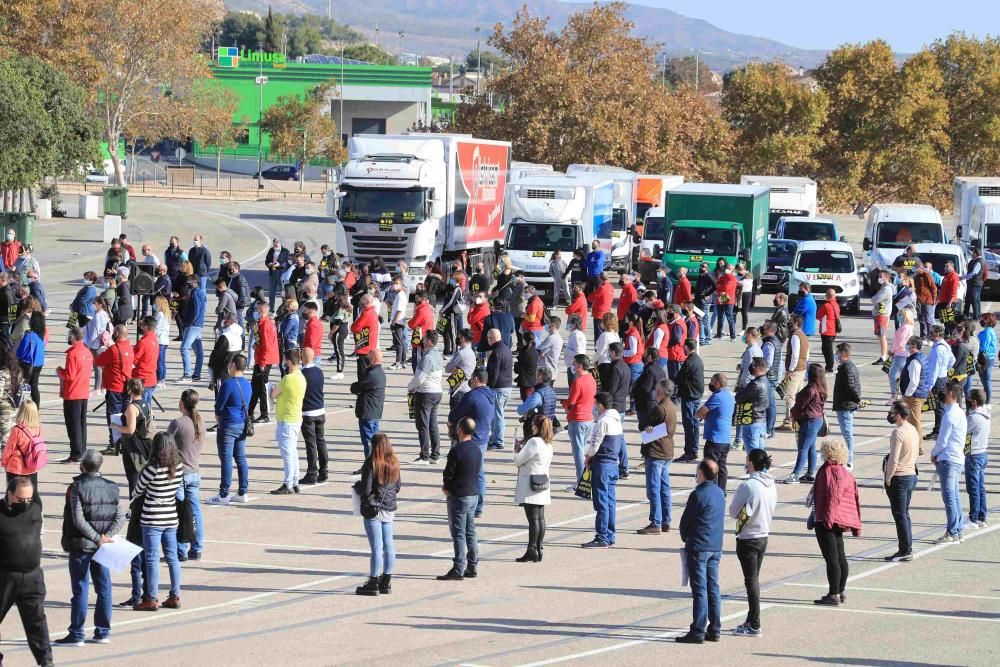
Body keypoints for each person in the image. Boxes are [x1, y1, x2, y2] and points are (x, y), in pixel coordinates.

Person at [56, 449, 125, 647]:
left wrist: (97, 538)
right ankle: (103, 631)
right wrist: (106, 537)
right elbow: (120, 516)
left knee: (80, 588)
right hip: (102, 546)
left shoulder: (78, 486)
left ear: (82, 466)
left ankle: (77, 632)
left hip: (82, 544)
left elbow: (78, 519)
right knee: (104, 587)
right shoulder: (112, 487)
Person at [0, 476, 53, 665]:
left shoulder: (35, 507)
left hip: (32, 577)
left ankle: (46, 662)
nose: (25, 503)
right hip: (5, 576)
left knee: (37, 623)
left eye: (28, 499)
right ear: (9, 494)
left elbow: (30, 471)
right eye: (21, 500)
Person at [131, 432, 183, 611]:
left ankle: (151, 598)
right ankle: (175, 595)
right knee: (172, 557)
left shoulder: (152, 468)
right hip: (171, 515)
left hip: (152, 516)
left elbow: (137, 490)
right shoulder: (178, 466)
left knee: (152, 558)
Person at [676, 459, 726, 644]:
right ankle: (715, 628)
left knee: (699, 590)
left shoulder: (697, 495)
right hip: (715, 546)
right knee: (713, 588)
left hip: (699, 546)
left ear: (702, 473)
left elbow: (685, 522)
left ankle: (697, 630)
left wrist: (685, 536)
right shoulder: (720, 493)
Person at [729, 449, 777, 638]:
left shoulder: (747, 486)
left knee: (751, 581)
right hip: (763, 535)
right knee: (753, 579)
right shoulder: (771, 485)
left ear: (751, 463)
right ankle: (750, 619)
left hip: (748, 537)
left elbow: (733, 512)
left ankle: (755, 624)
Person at [810, 438, 862, 606]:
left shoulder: (830, 471)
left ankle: (834, 593)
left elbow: (833, 496)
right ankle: (840, 590)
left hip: (828, 518)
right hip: (841, 519)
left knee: (832, 558)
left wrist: (827, 519)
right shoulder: (844, 471)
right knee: (840, 556)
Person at [354, 433, 401, 596]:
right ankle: (386, 580)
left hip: (373, 509)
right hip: (389, 508)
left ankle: (373, 581)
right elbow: (398, 487)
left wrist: (357, 487)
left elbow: (366, 490)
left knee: (376, 547)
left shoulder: (371, 463)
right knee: (389, 545)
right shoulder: (394, 462)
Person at [438, 417, 483, 581]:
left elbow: (449, 474)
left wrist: (447, 488)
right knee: (470, 532)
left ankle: (458, 568)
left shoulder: (457, 450)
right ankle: (472, 566)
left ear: (460, 430)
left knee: (458, 533)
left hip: (459, 495)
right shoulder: (476, 449)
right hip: (473, 494)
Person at [448, 368, 495, 516]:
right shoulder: (491, 395)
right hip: (483, 438)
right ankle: (479, 506)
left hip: (469, 439)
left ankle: (463, 504)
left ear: (475, 379)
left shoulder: (472, 395)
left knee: (460, 473)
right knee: (479, 473)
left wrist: (451, 425)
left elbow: (454, 414)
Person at [207, 355, 251, 506]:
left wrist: (218, 418)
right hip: (241, 424)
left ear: (233, 365)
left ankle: (224, 493)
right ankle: (243, 491)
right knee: (240, 458)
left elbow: (219, 406)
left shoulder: (228, 384)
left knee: (226, 459)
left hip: (228, 424)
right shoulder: (247, 384)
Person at [581, 392, 622, 548]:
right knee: (610, 502)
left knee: (601, 502)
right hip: (613, 464)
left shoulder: (603, 421)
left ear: (599, 405)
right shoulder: (617, 420)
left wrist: (588, 457)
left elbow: (595, 445)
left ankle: (602, 536)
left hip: (602, 465)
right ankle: (610, 534)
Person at [168, 389, 204, 561]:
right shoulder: (200, 422)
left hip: (180, 472)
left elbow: (165, 444)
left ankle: (180, 549)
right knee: (195, 511)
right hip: (194, 471)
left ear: (182, 403)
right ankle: (197, 548)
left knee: (179, 512)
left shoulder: (178, 423)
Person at [637, 379, 676, 534]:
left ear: (661, 391)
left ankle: (656, 522)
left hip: (656, 451)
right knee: (664, 488)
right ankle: (666, 520)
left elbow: (643, 423)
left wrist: (646, 427)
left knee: (653, 489)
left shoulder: (660, 408)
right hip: (666, 451)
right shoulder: (671, 406)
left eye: (657, 389)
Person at [513, 414, 554, 562]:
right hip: (543, 480)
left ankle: (532, 549)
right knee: (540, 518)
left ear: (536, 426)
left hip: (530, 482)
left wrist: (517, 449)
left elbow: (518, 461)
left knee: (533, 519)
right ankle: (539, 547)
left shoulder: (534, 442)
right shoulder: (548, 442)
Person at [930, 382, 967, 543]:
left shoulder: (949, 415)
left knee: (949, 496)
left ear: (951, 394)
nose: (943, 395)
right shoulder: (960, 412)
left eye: (945, 392)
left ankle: (952, 531)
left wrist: (933, 454)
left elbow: (942, 440)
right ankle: (958, 529)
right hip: (957, 457)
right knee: (955, 495)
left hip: (948, 458)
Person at [883, 401, 919, 561]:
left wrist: (888, 478)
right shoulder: (912, 429)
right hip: (911, 474)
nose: (890, 415)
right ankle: (906, 546)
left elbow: (893, 459)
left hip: (900, 476)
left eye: (892, 412)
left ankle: (905, 549)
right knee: (905, 513)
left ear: (898, 415)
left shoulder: (898, 432)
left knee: (900, 515)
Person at [270, 348, 306, 495]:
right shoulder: (301, 377)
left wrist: (272, 389)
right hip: (296, 417)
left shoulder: (288, 378)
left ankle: (288, 483)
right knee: (293, 452)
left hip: (286, 419)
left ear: (290, 362)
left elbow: (273, 394)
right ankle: (295, 481)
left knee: (288, 454)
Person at [785, 364, 827, 484]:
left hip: (809, 420)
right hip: (817, 420)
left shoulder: (811, 389)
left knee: (803, 448)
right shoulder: (821, 388)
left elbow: (799, 405)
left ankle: (795, 474)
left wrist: (792, 413)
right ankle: (810, 473)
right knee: (811, 447)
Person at [95, 325, 134, 454]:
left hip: (114, 386)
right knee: (124, 415)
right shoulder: (129, 347)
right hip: (125, 387)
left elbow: (99, 361)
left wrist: (104, 347)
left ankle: (114, 444)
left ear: (116, 333)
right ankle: (124, 443)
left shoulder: (114, 350)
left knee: (113, 416)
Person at [58, 326, 93, 463]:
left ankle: (76, 452)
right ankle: (81, 450)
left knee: (73, 424)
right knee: (81, 423)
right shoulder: (87, 352)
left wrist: (60, 371)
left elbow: (70, 375)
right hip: (83, 391)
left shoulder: (73, 354)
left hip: (73, 392)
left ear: (73, 337)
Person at [695, 372, 735, 493]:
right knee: (722, 467)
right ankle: (721, 492)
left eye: (712, 381)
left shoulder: (716, 396)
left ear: (717, 383)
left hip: (714, 438)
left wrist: (704, 415)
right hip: (725, 438)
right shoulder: (729, 396)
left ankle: (712, 492)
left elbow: (700, 412)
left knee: (710, 467)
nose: (710, 384)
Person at [409, 330, 444, 464]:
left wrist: (410, 387)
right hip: (436, 392)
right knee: (433, 424)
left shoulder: (427, 358)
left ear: (429, 341)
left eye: (424, 339)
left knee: (422, 425)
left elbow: (419, 379)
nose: (422, 342)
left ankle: (424, 456)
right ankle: (435, 455)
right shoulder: (437, 355)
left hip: (425, 393)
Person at [296, 347, 328, 486]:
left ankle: (311, 473)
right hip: (320, 411)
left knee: (311, 444)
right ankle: (324, 471)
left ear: (302, 358)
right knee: (321, 441)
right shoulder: (319, 371)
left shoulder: (302, 374)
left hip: (308, 412)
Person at [563, 354, 597, 486]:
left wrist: (564, 405)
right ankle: (585, 479)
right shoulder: (591, 378)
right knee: (582, 450)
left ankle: (581, 482)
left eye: (574, 363)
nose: (573, 366)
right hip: (588, 419)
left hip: (577, 419)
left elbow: (571, 402)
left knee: (578, 453)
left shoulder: (578, 382)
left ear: (580, 366)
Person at [350, 349, 386, 467]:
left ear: (373, 359)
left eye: (368, 357)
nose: (366, 359)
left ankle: (371, 466)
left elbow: (357, 387)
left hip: (368, 411)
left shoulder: (372, 374)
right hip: (374, 410)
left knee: (369, 441)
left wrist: (355, 386)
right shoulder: (379, 372)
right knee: (375, 440)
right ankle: (376, 463)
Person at [2, 399, 45, 487]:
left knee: (13, 495)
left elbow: (9, 449)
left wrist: (4, 463)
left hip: (16, 467)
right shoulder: (37, 428)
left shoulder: (17, 430)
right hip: (32, 466)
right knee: (32, 494)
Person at [832, 343, 861, 469]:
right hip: (845, 404)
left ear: (843, 354)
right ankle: (848, 458)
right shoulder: (847, 367)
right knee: (847, 433)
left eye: (837, 353)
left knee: (848, 434)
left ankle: (849, 460)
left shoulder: (847, 369)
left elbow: (851, 387)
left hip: (845, 406)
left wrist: (857, 400)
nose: (836, 355)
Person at [777, 315, 809, 431]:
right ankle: (798, 420)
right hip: (802, 369)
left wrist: (790, 369)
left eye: (791, 322)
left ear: (796, 323)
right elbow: (807, 354)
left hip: (795, 370)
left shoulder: (795, 336)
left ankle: (788, 421)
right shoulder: (804, 336)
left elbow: (795, 355)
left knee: (790, 395)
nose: (789, 324)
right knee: (799, 395)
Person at [964, 388, 990, 530]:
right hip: (982, 453)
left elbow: (962, 430)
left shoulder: (974, 418)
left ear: (974, 402)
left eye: (968, 399)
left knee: (973, 487)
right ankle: (981, 516)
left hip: (974, 455)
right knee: (980, 487)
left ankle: (973, 517)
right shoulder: (985, 414)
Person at [249, 302, 278, 423]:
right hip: (261, 358)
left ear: (262, 311)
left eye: (257, 310)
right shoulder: (261, 323)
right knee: (254, 386)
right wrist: (256, 345)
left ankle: (264, 414)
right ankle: (249, 412)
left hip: (264, 360)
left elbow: (268, 346)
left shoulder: (266, 325)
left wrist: (263, 363)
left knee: (262, 387)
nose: (256, 313)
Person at [485, 328, 513, 452]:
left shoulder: (496, 352)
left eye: (488, 338)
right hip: (507, 386)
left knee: (497, 415)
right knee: (497, 414)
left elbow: (494, 373)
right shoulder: (506, 348)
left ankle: (498, 441)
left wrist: (489, 387)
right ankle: (495, 438)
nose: (487, 340)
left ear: (492, 338)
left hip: (498, 387)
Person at [734, 358, 770, 453]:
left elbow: (739, 397)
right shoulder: (766, 381)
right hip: (761, 420)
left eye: (753, 365)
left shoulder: (755, 384)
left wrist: (741, 390)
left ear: (758, 368)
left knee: (753, 456)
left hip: (752, 421)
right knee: (760, 455)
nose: (751, 367)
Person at [178, 277, 206, 383]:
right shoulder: (198, 292)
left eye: (190, 281)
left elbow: (196, 310)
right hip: (197, 324)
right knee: (199, 352)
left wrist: (189, 322)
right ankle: (197, 374)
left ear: (195, 282)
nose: (187, 283)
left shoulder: (196, 293)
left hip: (193, 325)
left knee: (184, 348)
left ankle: (187, 375)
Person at [14, 313, 44, 406]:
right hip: (38, 364)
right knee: (34, 387)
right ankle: (36, 410)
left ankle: (23, 407)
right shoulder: (41, 335)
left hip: (27, 364)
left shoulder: (29, 335)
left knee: (23, 387)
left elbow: (21, 352)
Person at [759, 321, 782, 438]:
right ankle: (769, 428)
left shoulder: (769, 344)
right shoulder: (776, 341)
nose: (762, 328)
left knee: (770, 404)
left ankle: (769, 429)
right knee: (770, 403)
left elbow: (768, 363)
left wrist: (760, 374)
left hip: (769, 377)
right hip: (773, 376)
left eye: (764, 327)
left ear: (769, 329)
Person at [888, 308, 915, 402]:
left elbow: (900, 342)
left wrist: (892, 350)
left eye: (901, 315)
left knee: (892, 375)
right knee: (902, 375)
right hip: (903, 353)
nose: (898, 316)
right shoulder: (908, 326)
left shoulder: (904, 327)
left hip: (900, 353)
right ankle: (903, 395)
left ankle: (893, 395)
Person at [351, 294, 381, 378]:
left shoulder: (366, 313)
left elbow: (355, 328)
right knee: (368, 372)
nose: (360, 302)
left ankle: (363, 389)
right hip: (370, 346)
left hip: (364, 347)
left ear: (367, 302)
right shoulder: (373, 312)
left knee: (362, 373)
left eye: (361, 301)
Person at [871, 269, 894, 365]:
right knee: (880, 335)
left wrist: (873, 299)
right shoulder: (884, 287)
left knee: (881, 335)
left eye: (881, 276)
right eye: (879, 276)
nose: (879, 278)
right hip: (880, 313)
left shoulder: (886, 288)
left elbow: (875, 299)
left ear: (887, 278)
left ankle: (883, 357)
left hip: (882, 314)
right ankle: (883, 355)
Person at [817, 289, 840, 372]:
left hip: (827, 331)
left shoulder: (826, 305)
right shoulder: (836, 305)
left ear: (827, 296)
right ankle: (829, 365)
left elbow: (818, 316)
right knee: (827, 349)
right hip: (833, 330)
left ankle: (829, 367)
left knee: (827, 350)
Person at [976, 313, 996, 403]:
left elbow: (984, 347)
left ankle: (987, 402)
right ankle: (986, 399)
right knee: (984, 380)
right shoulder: (988, 331)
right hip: (987, 358)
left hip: (985, 358)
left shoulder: (987, 331)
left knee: (986, 380)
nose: (981, 321)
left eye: (983, 319)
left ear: (988, 321)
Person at [962, 246, 986, 319]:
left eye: (973, 253)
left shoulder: (979, 261)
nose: (972, 254)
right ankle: (967, 314)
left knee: (974, 300)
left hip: (975, 284)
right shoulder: (974, 260)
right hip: (973, 284)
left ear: (976, 253)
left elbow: (974, 273)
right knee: (971, 300)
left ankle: (976, 317)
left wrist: (962, 277)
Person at [714, 264, 737, 340]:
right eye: (727, 268)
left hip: (728, 299)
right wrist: (721, 289)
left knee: (729, 317)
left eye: (729, 268)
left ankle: (733, 335)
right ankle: (719, 334)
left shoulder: (732, 278)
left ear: (732, 270)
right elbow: (717, 286)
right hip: (722, 297)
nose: (727, 269)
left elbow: (727, 287)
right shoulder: (722, 277)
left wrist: (721, 288)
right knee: (720, 317)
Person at [914, 264, 937, 339]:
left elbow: (933, 288)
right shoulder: (916, 276)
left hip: (927, 301)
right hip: (919, 301)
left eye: (916, 268)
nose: (915, 270)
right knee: (921, 320)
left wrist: (934, 299)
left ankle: (930, 337)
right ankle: (923, 337)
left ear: (921, 268)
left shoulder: (927, 275)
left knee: (928, 320)